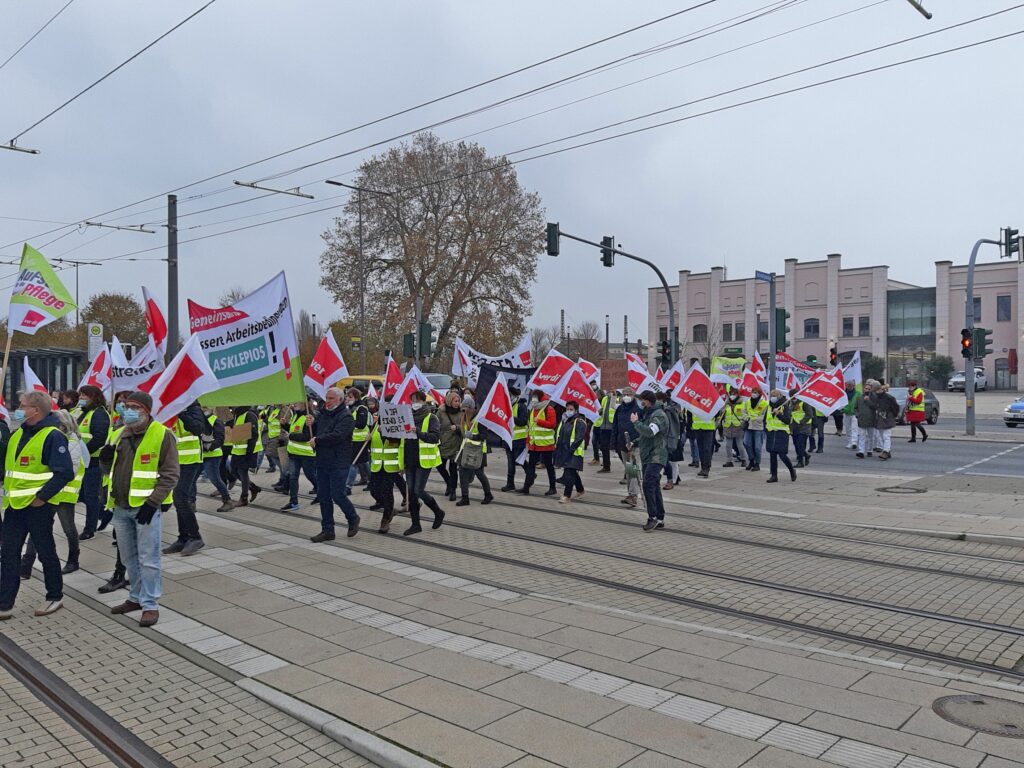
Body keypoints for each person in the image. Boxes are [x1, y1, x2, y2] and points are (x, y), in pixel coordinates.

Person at [99, 391, 178, 627]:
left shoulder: (162, 435)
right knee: (128, 557)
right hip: (120, 507)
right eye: (125, 406)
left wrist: (153, 502)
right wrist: (104, 460)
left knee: (149, 558)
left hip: (146, 508)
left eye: (133, 406)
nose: (127, 410)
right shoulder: (117, 434)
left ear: (146, 410)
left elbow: (170, 474)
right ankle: (135, 597)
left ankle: (151, 604)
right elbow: (108, 470)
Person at [0, 390, 74, 620]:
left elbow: (64, 473)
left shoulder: (53, 436)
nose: (19, 408)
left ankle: (55, 595)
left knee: (45, 552)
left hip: (38, 507)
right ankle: (5, 603)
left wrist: (41, 497)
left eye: (22, 405)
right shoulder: (17, 434)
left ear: (36, 410)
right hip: (14, 506)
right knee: (9, 554)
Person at [21, 409, 84, 577]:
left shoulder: (72, 442)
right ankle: (26, 565)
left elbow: (69, 469)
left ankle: (73, 560)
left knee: (69, 529)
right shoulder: (50, 438)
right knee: (37, 529)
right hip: (47, 493)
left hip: (63, 494)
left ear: (63, 424)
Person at [310, 387, 360, 541]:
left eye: (331, 398)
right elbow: (312, 434)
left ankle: (352, 517)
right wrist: (310, 424)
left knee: (337, 495)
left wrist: (318, 440)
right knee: (324, 496)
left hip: (339, 461)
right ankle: (327, 530)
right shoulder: (322, 415)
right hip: (322, 461)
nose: (328, 401)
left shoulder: (346, 417)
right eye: (327, 397)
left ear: (339, 399)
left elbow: (338, 436)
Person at [165, 401, 208, 556]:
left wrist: (182, 412)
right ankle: (183, 538)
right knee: (179, 499)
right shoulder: (169, 409)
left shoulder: (193, 408)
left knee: (180, 497)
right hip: (175, 461)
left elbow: (198, 429)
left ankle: (195, 537)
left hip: (191, 460)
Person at [402, 390, 446, 536]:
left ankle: (438, 512)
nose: (414, 404)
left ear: (423, 401)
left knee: (418, 490)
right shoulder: (406, 417)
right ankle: (415, 524)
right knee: (411, 493)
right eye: (412, 400)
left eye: (416, 400)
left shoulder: (431, 417)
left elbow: (435, 437)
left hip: (423, 460)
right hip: (409, 459)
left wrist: (418, 432)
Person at [77, 384, 111, 540]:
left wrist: (82, 452)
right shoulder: (85, 413)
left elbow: (99, 439)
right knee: (83, 495)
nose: (81, 398)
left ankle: (89, 529)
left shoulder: (99, 414)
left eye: (85, 395)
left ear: (94, 397)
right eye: (81, 395)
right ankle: (105, 513)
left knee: (90, 496)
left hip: (94, 461)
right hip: (85, 461)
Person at [632, 391, 668, 531]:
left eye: (642, 400)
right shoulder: (649, 414)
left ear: (647, 401)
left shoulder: (658, 415)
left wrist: (636, 423)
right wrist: (634, 443)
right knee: (654, 485)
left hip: (657, 455)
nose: (641, 403)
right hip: (648, 455)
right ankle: (660, 517)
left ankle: (652, 517)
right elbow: (645, 437)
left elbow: (650, 432)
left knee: (648, 484)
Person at [456, 396, 494, 506]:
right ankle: (465, 498)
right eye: (463, 408)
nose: (464, 411)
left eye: (466, 408)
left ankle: (488, 494)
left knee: (479, 473)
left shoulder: (479, 420)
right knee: (462, 472)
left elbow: (484, 436)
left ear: (471, 408)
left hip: (478, 451)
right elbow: (464, 433)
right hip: (466, 449)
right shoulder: (464, 418)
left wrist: (473, 436)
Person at [281, 400, 318, 512]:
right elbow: (294, 430)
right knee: (293, 477)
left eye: (297, 402)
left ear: (305, 404)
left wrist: (290, 435)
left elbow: (307, 437)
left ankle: (322, 492)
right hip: (293, 454)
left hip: (306, 455)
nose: (294, 404)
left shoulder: (309, 418)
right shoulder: (295, 416)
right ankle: (293, 502)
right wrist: (285, 425)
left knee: (310, 475)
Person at [519, 391, 558, 496]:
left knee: (549, 466)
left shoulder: (548, 408)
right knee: (531, 466)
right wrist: (528, 441)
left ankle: (552, 487)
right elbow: (531, 427)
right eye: (532, 397)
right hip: (534, 444)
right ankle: (526, 487)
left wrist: (539, 421)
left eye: (535, 397)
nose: (533, 400)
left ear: (540, 398)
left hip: (546, 444)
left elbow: (553, 424)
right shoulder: (533, 410)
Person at [368, 422, 404, 533]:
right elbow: (371, 444)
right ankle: (390, 509)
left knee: (387, 492)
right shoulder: (375, 424)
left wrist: (384, 433)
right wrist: (368, 439)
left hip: (390, 466)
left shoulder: (395, 425)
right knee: (374, 491)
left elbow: (397, 441)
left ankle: (385, 519)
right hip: (377, 466)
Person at [612, 387, 641, 506]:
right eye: (624, 394)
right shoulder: (620, 409)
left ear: (633, 396)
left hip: (633, 445)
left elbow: (639, 429)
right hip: (622, 444)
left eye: (628, 394)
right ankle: (630, 494)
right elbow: (615, 426)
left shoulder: (637, 410)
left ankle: (633, 495)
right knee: (629, 470)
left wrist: (634, 443)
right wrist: (614, 443)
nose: (626, 396)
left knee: (632, 470)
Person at [229, 405, 263, 506]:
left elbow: (254, 435)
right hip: (238, 451)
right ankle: (253, 487)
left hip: (247, 451)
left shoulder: (249, 415)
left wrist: (249, 452)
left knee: (242, 473)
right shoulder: (237, 415)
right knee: (233, 471)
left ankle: (244, 498)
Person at [554, 400, 587, 503]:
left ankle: (566, 495)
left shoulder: (579, 422)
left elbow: (579, 438)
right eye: (567, 409)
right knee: (572, 472)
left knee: (569, 474)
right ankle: (580, 490)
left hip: (574, 453)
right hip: (565, 452)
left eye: (571, 409)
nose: (568, 411)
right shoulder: (565, 421)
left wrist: (571, 450)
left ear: (576, 410)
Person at [201, 408, 233, 513]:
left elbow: (220, 439)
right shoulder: (198, 420)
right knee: (191, 481)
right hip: (199, 456)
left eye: (205, 406)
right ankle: (191, 501)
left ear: (211, 408)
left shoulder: (216, 421)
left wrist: (208, 447)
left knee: (215, 479)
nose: (203, 409)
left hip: (212, 455)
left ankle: (227, 501)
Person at [436, 390, 463, 501]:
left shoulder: (462, 412)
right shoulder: (441, 412)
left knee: (453, 469)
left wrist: (457, 427)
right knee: (440, 466)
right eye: (455, 401)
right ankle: (448, 483)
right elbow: (436, 426)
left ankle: (453, 491)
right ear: (449, 401)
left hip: (456, 443)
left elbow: (466, 426)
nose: (457, 403)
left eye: (458, 401)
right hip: (444, 443)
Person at [501, 385, 529, 491]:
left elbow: (522, 421)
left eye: (509, 395)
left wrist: (511, 418)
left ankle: (530, 473)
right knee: (510, 462)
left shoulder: (521, 406)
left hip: (519, 439)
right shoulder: (505, 406)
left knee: (518, 459)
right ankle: (510, 483)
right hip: (508, 439)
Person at [765, 389, 797, 483]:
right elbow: (765, 419)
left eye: (775, 395)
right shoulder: (769, 406)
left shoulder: (784, 406)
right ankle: (774, 476)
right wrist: (766, 429)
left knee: (782, 454)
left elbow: (787, 420)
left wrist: (778, 414)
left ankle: (792, 470)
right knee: (772, 454)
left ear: (779, 396)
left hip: (781, 433)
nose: (773, 397)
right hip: (771, 432)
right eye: (772, 395)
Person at [346, 388, 371, 492]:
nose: (347, 398)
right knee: (364, 462)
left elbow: (361, 424)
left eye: (350, 397)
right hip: (353, 440)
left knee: (353, 463)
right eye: (347, 396)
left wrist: (348, 422)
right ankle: (372, 482)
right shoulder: (351, 408)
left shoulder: (361, 408)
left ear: (356, 397)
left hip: (360, 440)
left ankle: (347, 487)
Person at [657, 392, 681, 489]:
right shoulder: (661, 410)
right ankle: (669, 479)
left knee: (666, 460)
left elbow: (671, 426)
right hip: (661, 438)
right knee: (662, 460)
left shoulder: (669, 410)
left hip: (667, 438)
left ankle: (670, 480)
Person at [742, 388, 768, 472]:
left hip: (758, 427)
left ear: (759, 394)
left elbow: (764, 416)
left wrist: (754, 419)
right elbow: (744, 413)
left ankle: (757, 464)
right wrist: (747, 418)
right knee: (746, 443)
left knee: (757, 447)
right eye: (753, 392)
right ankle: (751, 460)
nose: (753, 394)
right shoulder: (747, 402)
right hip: (749, 426)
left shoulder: (764, 403)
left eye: (755, 392)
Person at [873, 383, 900, 460]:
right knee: (882, 436)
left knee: (886, 436)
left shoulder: (889, 397)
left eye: (879, 389)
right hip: (880, 418)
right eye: (876, 390)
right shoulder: (877, 398)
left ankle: (885, 451)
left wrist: (892, 415)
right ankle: (887, 451)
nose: (878, 391)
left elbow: (896, 407)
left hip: (887, 417)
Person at [720, 390, 747, 468]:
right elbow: (722, 413)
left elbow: (744, 413)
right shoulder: (726, 403)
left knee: (740, 444)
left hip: (738, 426)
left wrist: (742, 422)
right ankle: (729, 461)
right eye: (731, 394)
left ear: (737, 395)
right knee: (728, 445)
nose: (732, 395)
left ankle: (743, 460)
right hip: (728, 425)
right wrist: (723, 410)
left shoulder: (742, 403)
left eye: (734, 394)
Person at [593, 387, 616, 474]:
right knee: (603, 446)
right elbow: (602, 410)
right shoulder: (605, 398)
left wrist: (614, 396)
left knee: (618, 448)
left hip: (613, 426)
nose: (609, 389)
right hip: (604, 426)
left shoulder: (617, 398)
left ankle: (627, 469)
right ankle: (606, 466)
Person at [855, 380, 878, 458]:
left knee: (871, 436)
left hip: (871, 419)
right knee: (861, 436)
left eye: (868, 389)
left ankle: (869, 450)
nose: (867, 390)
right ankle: (861, 451)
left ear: (871, 389)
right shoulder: (859, 397)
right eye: (866, 388)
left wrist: (868, 401)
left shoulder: (874, 397)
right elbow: (856, 408)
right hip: (861, 419)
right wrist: (857, 414)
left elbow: (875, 407)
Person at [790, 397, 813, 468]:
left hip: (804, 427)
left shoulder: (804, 403)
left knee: (800, 444)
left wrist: (801, 422)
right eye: (791, 397)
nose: (793, 399)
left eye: (794, 397)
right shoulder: (791, 404)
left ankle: (800, 462)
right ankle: (806, 455)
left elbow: (809, 414)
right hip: (794, 427)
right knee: (796, 444)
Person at [906, 379, 928, 443]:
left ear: (914, 386)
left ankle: (924, 434)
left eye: (910, 387)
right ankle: (913, 438)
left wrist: (910, 397)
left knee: (917, 424)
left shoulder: (919, 391)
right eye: (909, 387)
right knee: (912, 424)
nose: (909, 388)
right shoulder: (911, 392)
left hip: (918, 411)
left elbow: (918, 401)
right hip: (913, 410)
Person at [844, 381, 859, 450]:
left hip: (854, 413)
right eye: (848, 385)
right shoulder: (843, 393)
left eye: (851, 385)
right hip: (846, 413)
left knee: (854, 428)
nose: (850, 387)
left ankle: (854, 442)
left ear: (854, 386)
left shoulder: (858, 393)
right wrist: (842, 409)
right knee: (848, 428)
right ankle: (849, 442)